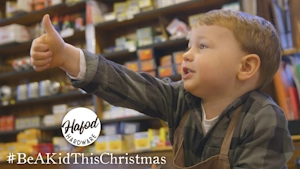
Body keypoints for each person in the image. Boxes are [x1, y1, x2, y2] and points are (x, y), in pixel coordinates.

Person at [30, 9, 294, 169]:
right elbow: (126, 84)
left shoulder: (263, 117)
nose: (187, 55)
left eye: (202, 46)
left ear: (246, 67)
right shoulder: (179, 99)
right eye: (188, 46)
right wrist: (66, 56)